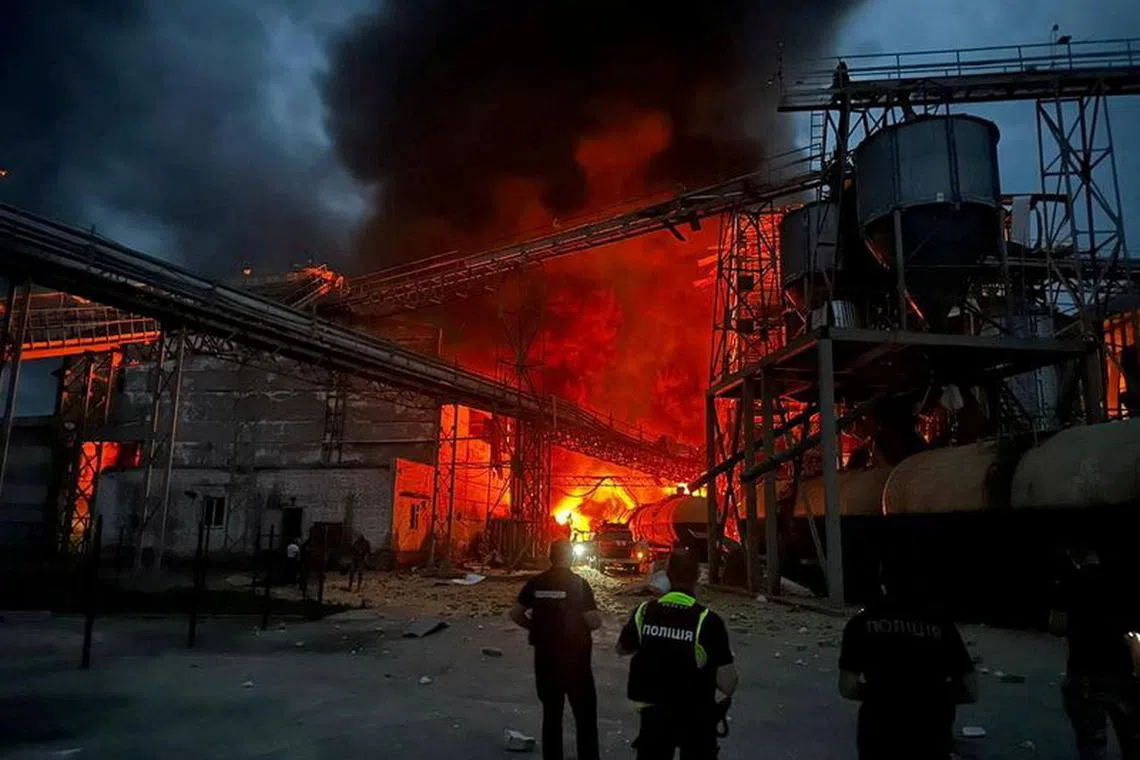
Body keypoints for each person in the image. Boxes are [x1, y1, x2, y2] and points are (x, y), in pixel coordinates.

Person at [838, 550, 977, 760]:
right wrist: (929, 696)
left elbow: (847, 687)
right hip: (931, 736)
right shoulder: (941, 625)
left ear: (883, 580)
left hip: (878, 737)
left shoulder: (861, 624)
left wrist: (884, 695)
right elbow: (970, 690)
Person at [616, 547, 738, 759]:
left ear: (667, 575)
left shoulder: (645, 612)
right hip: (696, 719)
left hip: (654, 717)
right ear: (698, 576)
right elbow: (728, 684)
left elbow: (621, 648)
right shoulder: (708, 621)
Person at [510, 539, 602, 760]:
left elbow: (515, 613)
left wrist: (535, 627)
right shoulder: (579, 584)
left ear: (550, 557)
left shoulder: (536, 582)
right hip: (576, 662)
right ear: (570, 557)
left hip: (545, 661)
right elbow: (593, 621)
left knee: (552, 715)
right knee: (585, 717)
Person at [1049, 539, 1140, 759]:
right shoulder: (1125, 581)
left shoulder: (1070, 582)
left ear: (1073, 555)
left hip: (1084, 671)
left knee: (1092, 742)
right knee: (1132, 739)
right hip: (1122, 671)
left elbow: (1057, 627)